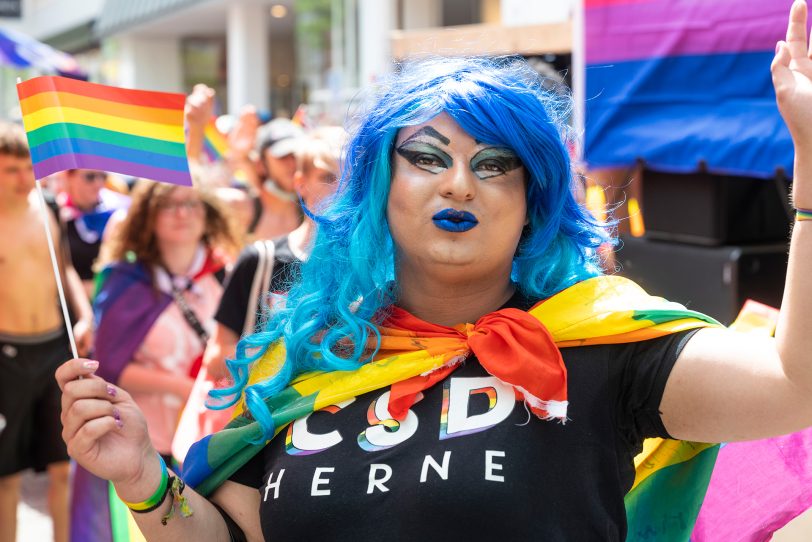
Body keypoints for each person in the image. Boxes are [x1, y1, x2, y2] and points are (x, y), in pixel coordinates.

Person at [56, 3, 812, 540]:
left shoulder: (606, 343)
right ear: (381, 189)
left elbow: (794, 386)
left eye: (494, 166)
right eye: (427, 158)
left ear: (533, 207)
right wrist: (141, 476)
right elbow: (225, 535)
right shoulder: (314, 355)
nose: (458, 185)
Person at [66, 181, 240, 542]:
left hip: (212, 439)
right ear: (148, 217)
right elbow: (110, 366)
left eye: (192, 204)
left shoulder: (229, 273)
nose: (182, 213)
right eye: (169, 205)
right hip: (148, 438)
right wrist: (186, 388)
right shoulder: (122, 280)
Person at [0, 122, 94, 542]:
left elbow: (66, 268)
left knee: (64, 467)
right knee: (7, 475)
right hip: (8, 356)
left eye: (28, 168)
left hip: (56, 347)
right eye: (11, 170)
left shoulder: (49, 205)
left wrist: (85, 312)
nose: (24, 179)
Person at [204, 127, 346, 382]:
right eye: (328, 177)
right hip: (268, 415)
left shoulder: (376, 268)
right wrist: (289, 357)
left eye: (351, 178)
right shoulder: (260, 260)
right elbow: (216, 357)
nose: (341, 189)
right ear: (300, 184)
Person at [57, 168, 130, 298]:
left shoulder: (118, 213)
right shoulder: (56, 213)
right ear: (69, 176)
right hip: (71, 307)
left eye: (103, 176)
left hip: (111, 300)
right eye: (90, 177)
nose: (98, 183)